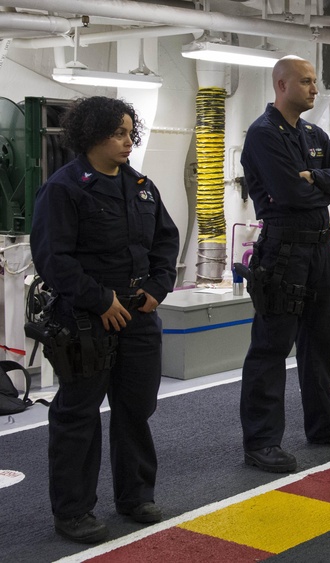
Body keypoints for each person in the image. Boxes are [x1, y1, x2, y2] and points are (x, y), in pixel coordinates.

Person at [31, 96, 179, 543]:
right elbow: (52, 258)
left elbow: (165, 243)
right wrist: (99, 300)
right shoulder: (65, 188)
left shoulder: (141, 185)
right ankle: (74, 511)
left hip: (138, 314)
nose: (126, 140)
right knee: (78, 414)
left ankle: (135, 497)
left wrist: (157, 288)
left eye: (130, 131)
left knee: (136, 409)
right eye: (117, 132)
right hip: (86, 319)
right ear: (91, 135)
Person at [239, 56, 330, 473]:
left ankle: (323, 423)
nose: (314, 89)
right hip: (283, 252)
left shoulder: (312, 133)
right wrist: (314, 182)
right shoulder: (262, 135)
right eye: (306, 82)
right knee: (272, 348)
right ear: (281, 85)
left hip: (319, 250)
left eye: (315, 81)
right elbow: (292, 194)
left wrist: (317, 179)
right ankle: (261, 442)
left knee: (321, 342)